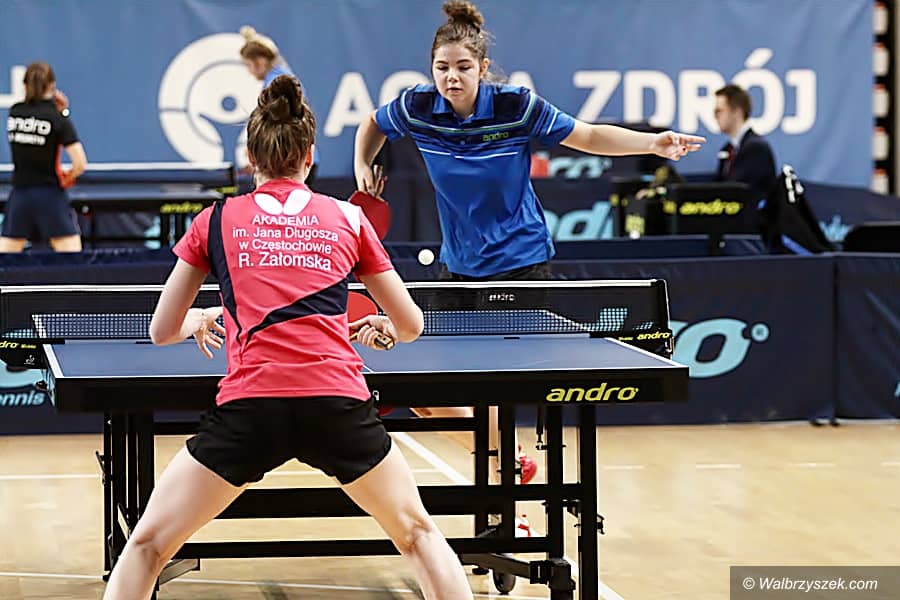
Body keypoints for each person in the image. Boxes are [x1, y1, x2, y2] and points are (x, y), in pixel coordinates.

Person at [101, 75, 472, 600]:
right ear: (310, 156)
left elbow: (161, 331)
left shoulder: (214, 220)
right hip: (337, 404)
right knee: (418, 535)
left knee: (147, 547)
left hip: (251, 409)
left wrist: (198, 318)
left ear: (250, 157)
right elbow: (411, 324)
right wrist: (387, 327)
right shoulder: (348, 217)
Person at [353, 0, 704, 491]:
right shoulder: (418, 107)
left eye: (463, 67)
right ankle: (508, 460)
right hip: (459, 266)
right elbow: (372, 124)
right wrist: (362, 163)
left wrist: (651, 144)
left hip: (519, 263)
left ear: (482, 69)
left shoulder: (515, 106)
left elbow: (587, 135)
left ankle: (503, 499)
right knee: (426, 388)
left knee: (495, 384)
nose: (452, 77)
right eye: (442, 67)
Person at [1, 61, 87, 253]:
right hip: (50, 195)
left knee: (5, 258)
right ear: (52, 86)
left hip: (20, 195)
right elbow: (80, 163)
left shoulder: (15, 112)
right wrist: (68, 176)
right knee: (71, 259)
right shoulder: (57, 119)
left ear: (25, 85)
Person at [240, 25, 318, 183]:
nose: (249, 71)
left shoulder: (275, 85)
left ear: (260, 61)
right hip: (298, 159)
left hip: (291, 162)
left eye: (248, 65)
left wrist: (262, 155)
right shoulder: (281, 79)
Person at [713, 83, 777, 202]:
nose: (715, 116)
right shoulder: (727, 149)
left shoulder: (756, 148)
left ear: (737, 112)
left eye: (719, 111)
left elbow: (738, 192)